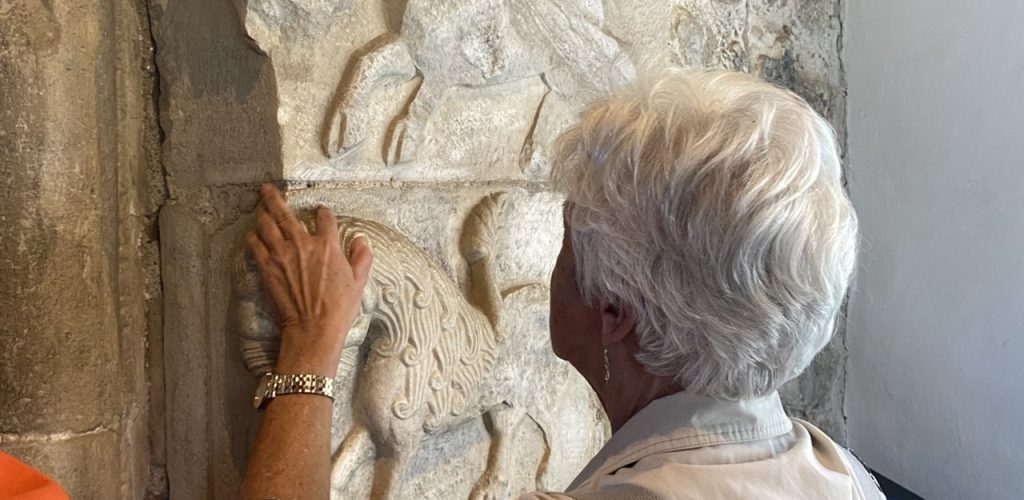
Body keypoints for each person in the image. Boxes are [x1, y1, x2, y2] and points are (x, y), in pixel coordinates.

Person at [239, 69, 883, 499]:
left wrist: (311, 345)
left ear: (612, 310)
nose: (553, 264)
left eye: (567, 242)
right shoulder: (847, 479)